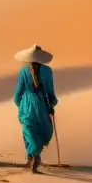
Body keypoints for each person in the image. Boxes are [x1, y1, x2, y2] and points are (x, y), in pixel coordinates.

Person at [13, 44, 58, 173]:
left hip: (27, 103)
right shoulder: (47, 71)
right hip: (42, 103)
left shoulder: (23, 71)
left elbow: (17, 94)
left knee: (28, 130)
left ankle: (32, 156)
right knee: (42, 130)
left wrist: (21, 106)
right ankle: (34, 155)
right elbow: (50, 90)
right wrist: (51, 104)